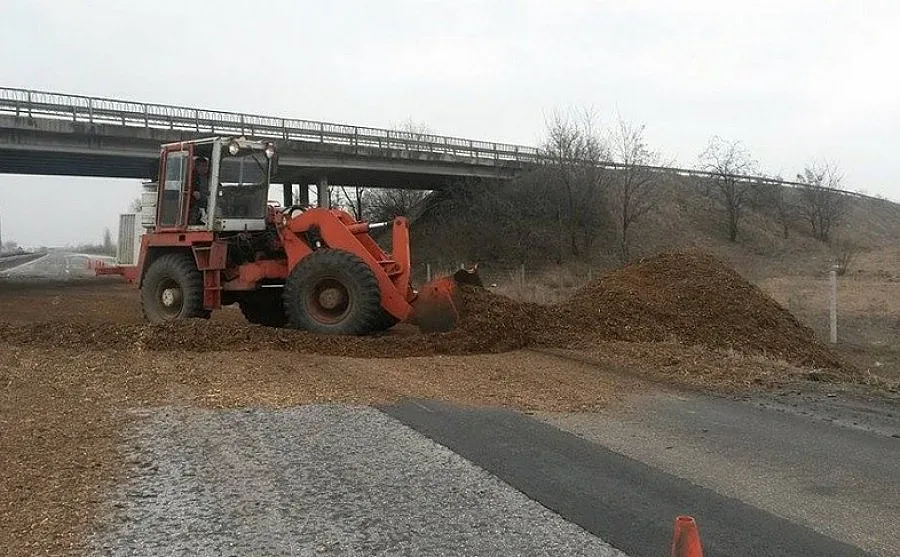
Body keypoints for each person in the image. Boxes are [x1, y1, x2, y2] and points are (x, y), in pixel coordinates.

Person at [189, 156, 210, 225]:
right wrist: (193, 192)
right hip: (195, 203)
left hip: (208, 200)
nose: (205, 168)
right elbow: (188, 187)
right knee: (194, 211)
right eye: (203, 166)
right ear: (197, 167)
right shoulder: (191, 177)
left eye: (206, 166)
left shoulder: (210, 177)